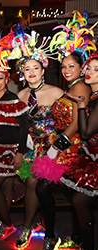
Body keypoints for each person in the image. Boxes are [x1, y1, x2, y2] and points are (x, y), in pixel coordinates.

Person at [35, 11, 93, 250]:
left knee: (48, 189)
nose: (66, 69)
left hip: (73, 149)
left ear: (82, 67)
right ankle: (74, 238)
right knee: (73, 196)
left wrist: (58, 144)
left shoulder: (80, 86)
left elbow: (79, 121)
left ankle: (55, 236)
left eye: (72, 65)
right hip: (65, 146)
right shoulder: (71, 85)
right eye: (64, 66)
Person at [12, 26, 65, 250]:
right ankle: (28, 226)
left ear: (43, 70)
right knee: (31, 183)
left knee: (41, 187)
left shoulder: (56, 92)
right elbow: (21, 127)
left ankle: (50, 233)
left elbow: (72, 123)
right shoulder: (21, 95)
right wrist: (21, 149)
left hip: (55, 148)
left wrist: (59, 145)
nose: (31, 72)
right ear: (21, 73)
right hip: (33, 149)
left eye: (35, 68)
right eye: (27, 69)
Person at [0, 56, 30, 240]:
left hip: (11, 151)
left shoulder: (12, 99)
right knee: (7, 184)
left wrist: (19, 153)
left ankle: (8, 223)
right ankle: (5, 222)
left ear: (7, 80)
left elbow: (24, 127)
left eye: (0, 78)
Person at [60, 51, 98, 250]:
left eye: (96, 69)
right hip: (88, 154)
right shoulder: (91, 94)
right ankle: (78, 240)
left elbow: (84, 132)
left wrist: (81, 106)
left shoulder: (91, 96)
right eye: (89, 68)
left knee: (80, 201)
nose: (90, 72)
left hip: (90, 155)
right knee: (77, 198)